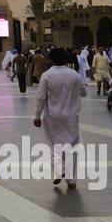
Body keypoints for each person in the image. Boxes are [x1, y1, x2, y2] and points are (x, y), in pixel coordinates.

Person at [33, 47, 88, 188]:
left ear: (50, 59)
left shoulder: (46, 75)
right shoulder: (74, 74)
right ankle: (72, 179)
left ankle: (59, 171)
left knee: (53, 146)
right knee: (72, 147)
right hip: (72, 117)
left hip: (53, 117)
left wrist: (37, 116)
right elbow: (84, 92)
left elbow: (40, 97)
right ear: (66, 59)